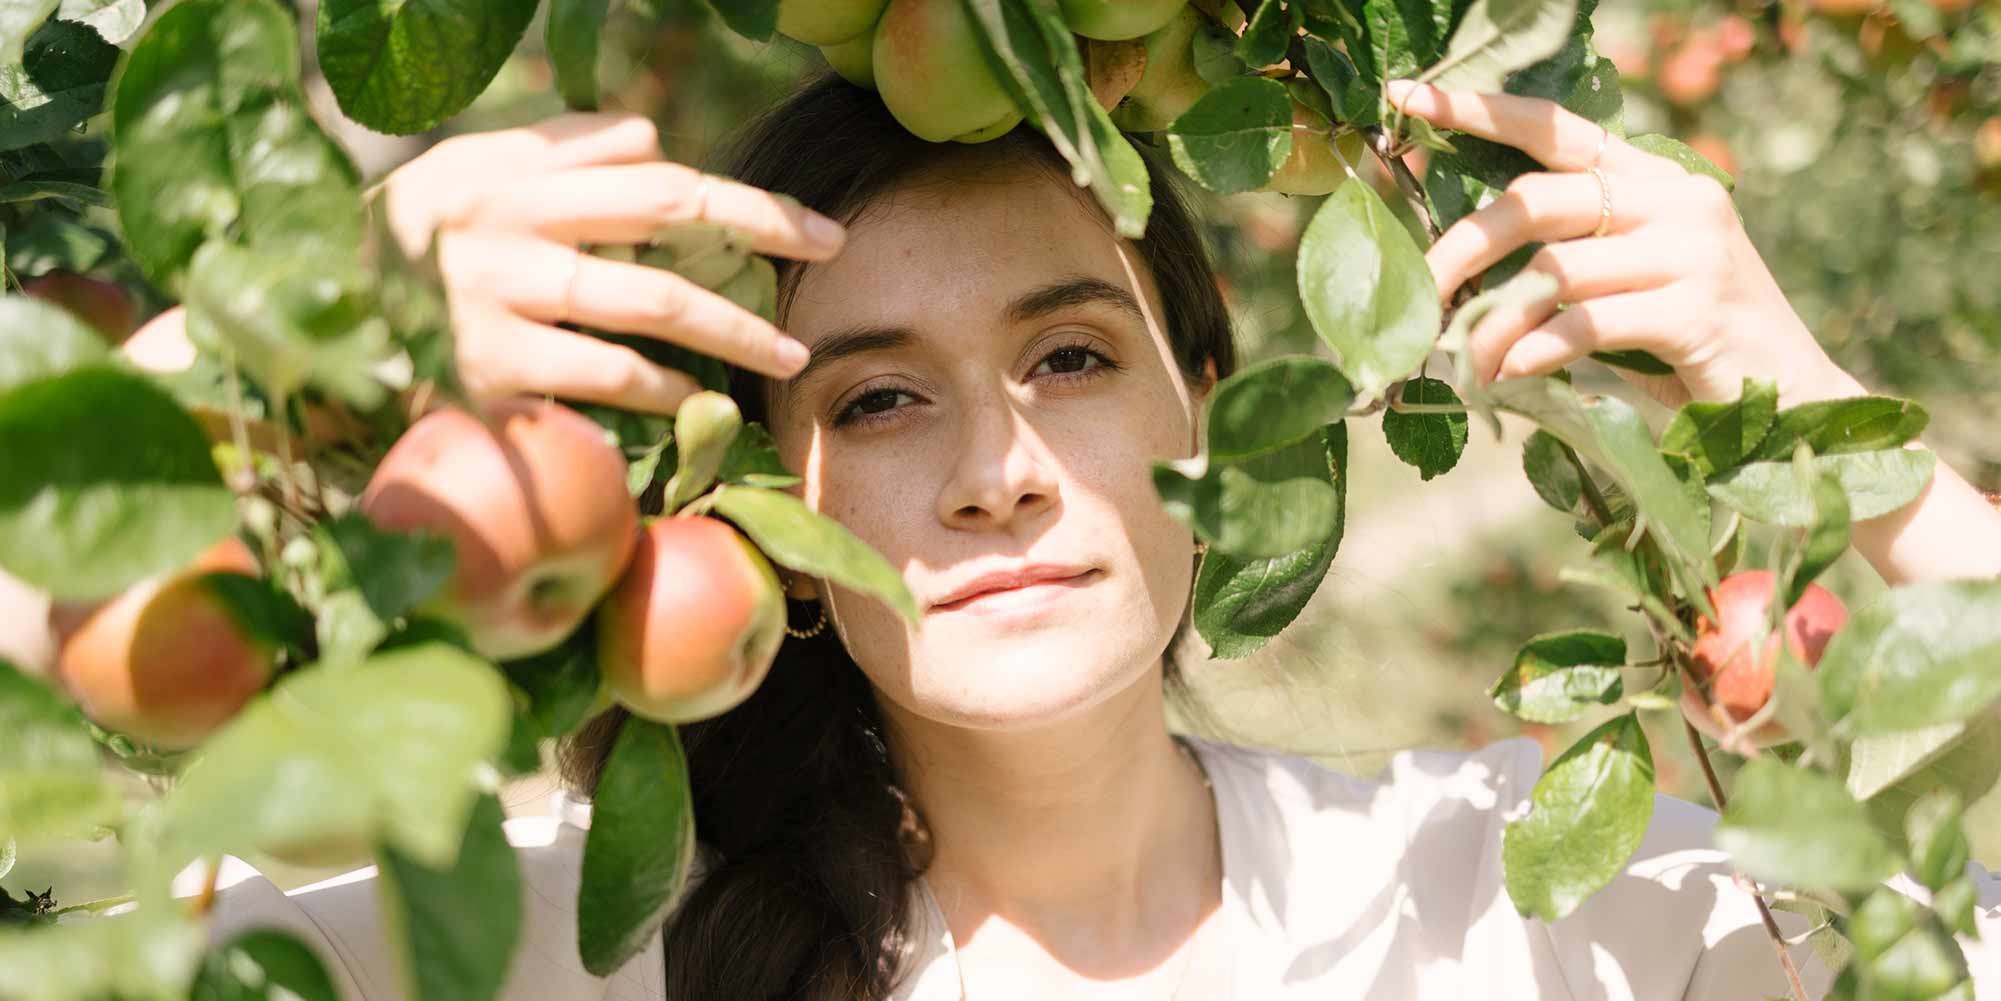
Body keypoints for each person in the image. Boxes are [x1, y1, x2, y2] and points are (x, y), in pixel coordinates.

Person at [135, 71, 2001, 1000]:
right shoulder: (539, 953)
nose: (996, 469)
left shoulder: (1508, 912)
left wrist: (1837, 430)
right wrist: (239, 366)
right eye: (877, 398)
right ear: (767, 503)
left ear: (1213, 414)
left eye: (1071, 358)